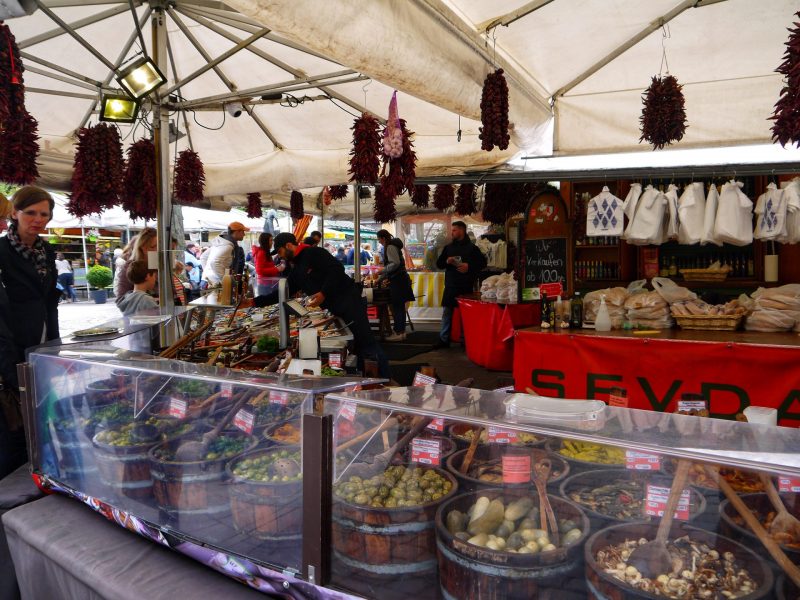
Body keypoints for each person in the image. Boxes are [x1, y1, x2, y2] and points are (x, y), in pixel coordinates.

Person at [256, 233, 389, 378]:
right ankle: (366, 379)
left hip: (350, 302)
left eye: (280, 251)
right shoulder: (296, 269)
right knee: (357, 347)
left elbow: (337, 269)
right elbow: (283, 292)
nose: (280, 256)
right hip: (336, 308)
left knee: (367, 343)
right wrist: (255, 302)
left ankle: (385, 379)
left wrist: (323, 293)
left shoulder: (313, 252)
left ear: (288, 246)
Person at [0, 186, 60, 477]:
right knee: (17, 424)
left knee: (44, 413)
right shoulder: (2, 252)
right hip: (13, 344)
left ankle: (45, 468)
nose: (38, 219)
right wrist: (9, 366)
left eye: (44, 214)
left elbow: (50, 301)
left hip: (44, 344)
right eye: (30, 212)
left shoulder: (45, 251)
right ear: (15, 213)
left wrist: (57, 345)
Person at [434, 221, 487, 349]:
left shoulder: (472, 248)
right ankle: (444, 339)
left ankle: (465, 340)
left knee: (465, 314)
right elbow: (439, 264)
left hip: (466, 286)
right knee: (447, 312)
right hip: (451, 285)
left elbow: (482, 263)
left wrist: (469, 266)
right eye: (452, 230)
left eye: (454, 230)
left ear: (462, 230)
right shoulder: (448, 248)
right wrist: (447, 260)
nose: (452, 232)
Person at [376, 230, 415, 342]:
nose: (379, 241)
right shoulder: (393, 245)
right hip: (401, 279)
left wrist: (382, 270)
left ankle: (398, 332)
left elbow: (395, 263)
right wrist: (380, 279)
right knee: (399, 307)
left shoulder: (390, 247)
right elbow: (394, 265)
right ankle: (401, 332)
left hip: (398, 280)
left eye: (379, 239)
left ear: (383, 238)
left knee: (397, 307)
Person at [113, 228, 157, 304]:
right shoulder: (131, 266)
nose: (157, 250)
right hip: (141, 314)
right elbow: (121, 299)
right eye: (153, 247)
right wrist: (147, 300)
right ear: (142, 248)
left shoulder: (161, 264)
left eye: (160, 247)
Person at [201, 221, 248, 286]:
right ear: (237, 232)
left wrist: (208, 273)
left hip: (209, 281)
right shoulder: (227, 246)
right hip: (215, 283)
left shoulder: (222, 243)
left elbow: (203, 257)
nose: (244, 234)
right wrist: (226, 281)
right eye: (243, 232)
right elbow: (214, 263)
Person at [252, 232, 285, 297]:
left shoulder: (265, 252)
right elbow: (259, 270)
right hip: (265, 285)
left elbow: (266, 266)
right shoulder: (261, 253)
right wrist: (276, 269)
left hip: (268, 284)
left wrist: (276, 267)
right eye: (270, 240)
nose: (272, 242)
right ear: (265, 241)